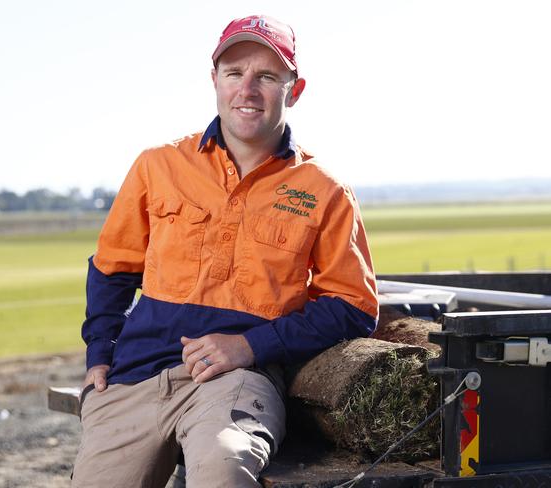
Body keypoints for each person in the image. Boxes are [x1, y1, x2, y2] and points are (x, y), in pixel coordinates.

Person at [72, 14, 379, 488]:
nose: (247, 90)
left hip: (236, 381)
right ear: (214, 81)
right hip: (136, 377)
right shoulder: (158, 165)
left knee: (223, 467)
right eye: (234, 73)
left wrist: (249, 345)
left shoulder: (324, 190)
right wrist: (100, 352)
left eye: (267, 77)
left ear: (293, 90)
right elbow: (113, 269)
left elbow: (353, 307)